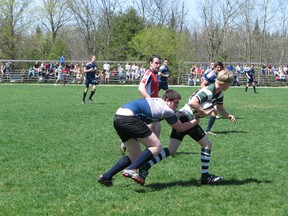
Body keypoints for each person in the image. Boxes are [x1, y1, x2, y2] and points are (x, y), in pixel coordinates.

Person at [136, 69, 236, 185]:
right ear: (225, 84)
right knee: (207, 144)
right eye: (229, 83)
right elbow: (193, 102)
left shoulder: (220, 94)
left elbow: (220, 109)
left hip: (183, 117)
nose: (230, 85)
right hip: (186, 117)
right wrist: (203, 112)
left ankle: (145, 167)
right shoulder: (208, 91)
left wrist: (228, 116)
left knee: (172, 149)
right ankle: (205, 177)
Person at [97, 89, 200, 186]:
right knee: (157, 146)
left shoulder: (158, 100)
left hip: (118, 117)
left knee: (135, 155)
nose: (177, 107)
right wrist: (196, 121)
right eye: (176, 103)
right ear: (168, 100)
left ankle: (106, 177)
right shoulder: (167, 110)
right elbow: (180, 128)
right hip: (129, 118)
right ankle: (132, 169)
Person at [120, 55, 161, 155]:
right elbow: (141, 88)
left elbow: (153, 91)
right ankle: (127, 142)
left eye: (159, 63)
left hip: (154, 105)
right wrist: (150, 100)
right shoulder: (148, 73)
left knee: (157, 127)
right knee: (149, 128)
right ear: (150, 63)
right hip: (148, 105)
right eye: (156, 63)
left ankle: (153, 151)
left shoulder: (156, 75)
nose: (158, 65)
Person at [201, 62, 224, 135]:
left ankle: (208, 130)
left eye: (220, 68)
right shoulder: (211, 74)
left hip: (215, 95)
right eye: (217, 67)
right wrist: (208, 92)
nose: (219, 69)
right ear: (215, 68)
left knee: (215, 110)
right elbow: (202, 84)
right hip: (207, 94)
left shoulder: (220, 75)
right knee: (198, 111)